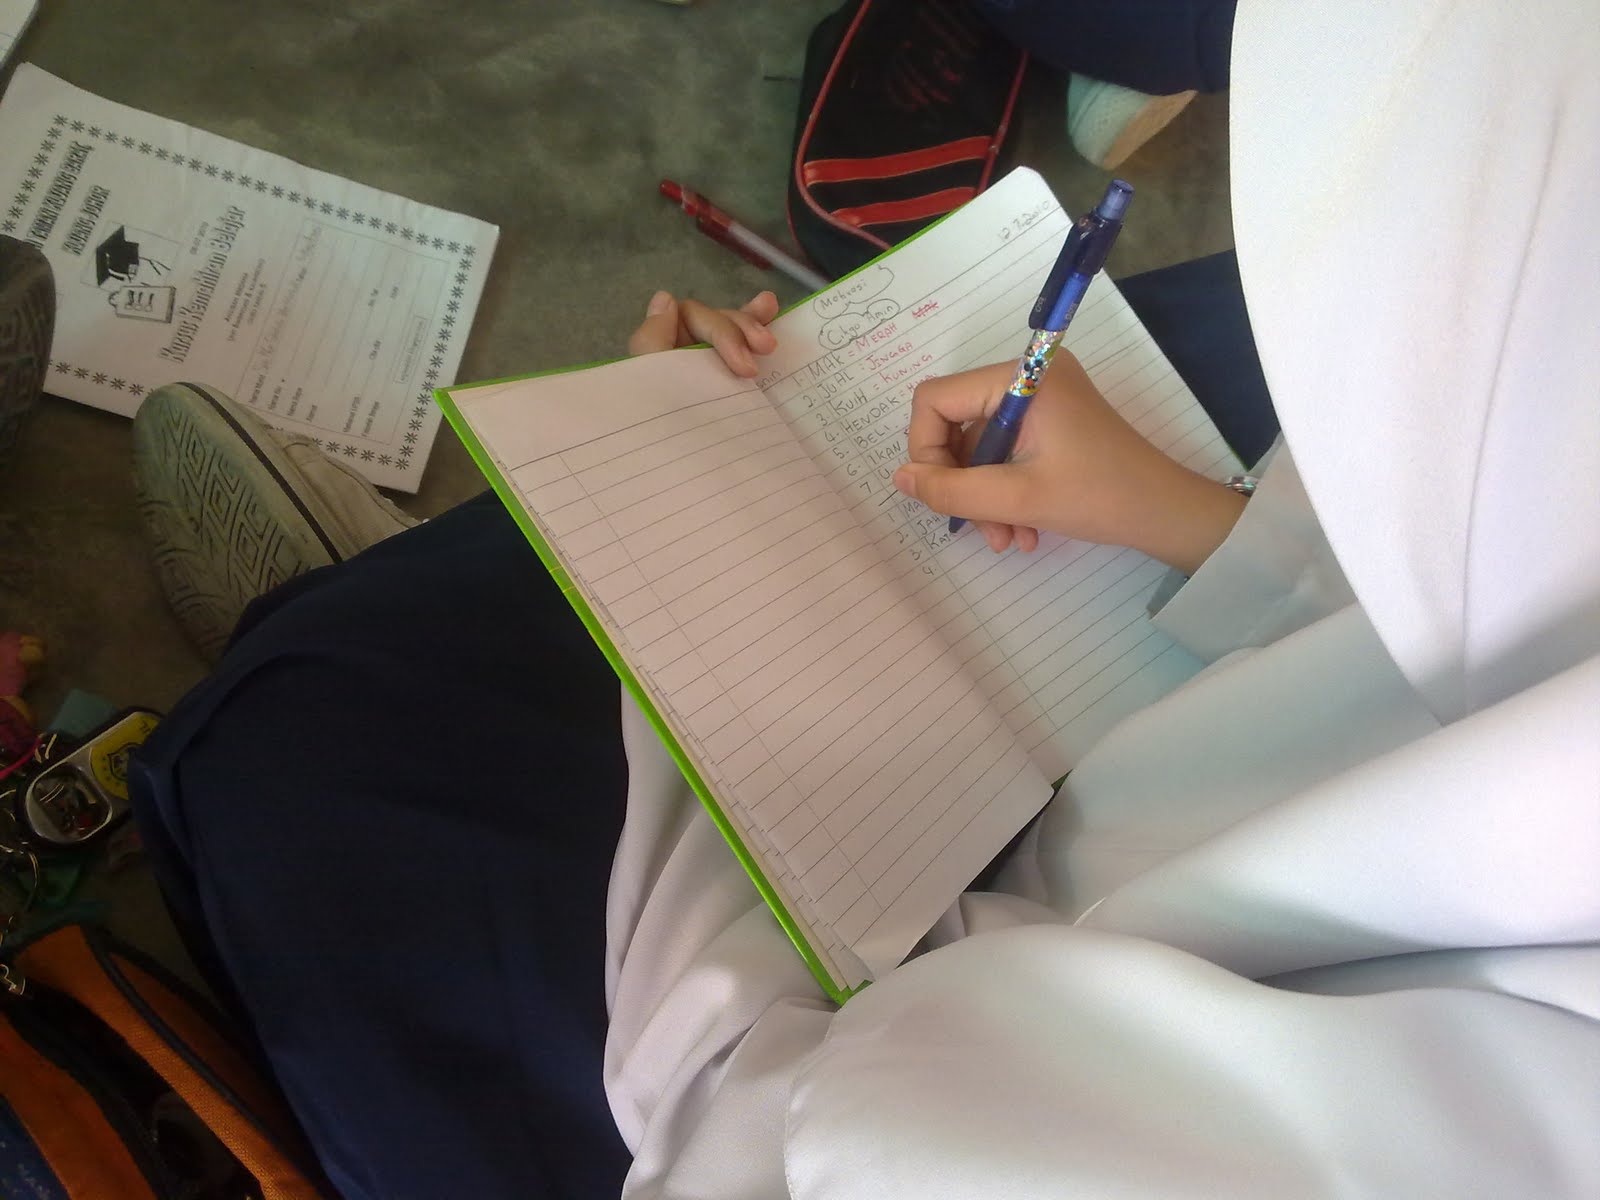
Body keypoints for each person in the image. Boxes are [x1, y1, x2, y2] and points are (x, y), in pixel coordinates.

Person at [128, 1, 1598, 1197]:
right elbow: (1466, 670)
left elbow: (743, 1113)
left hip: (801, 1061)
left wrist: (694, 566)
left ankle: (361, 622)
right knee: (438, 649)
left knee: (298, 741)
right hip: (1126, 846)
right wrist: (1201, 528)